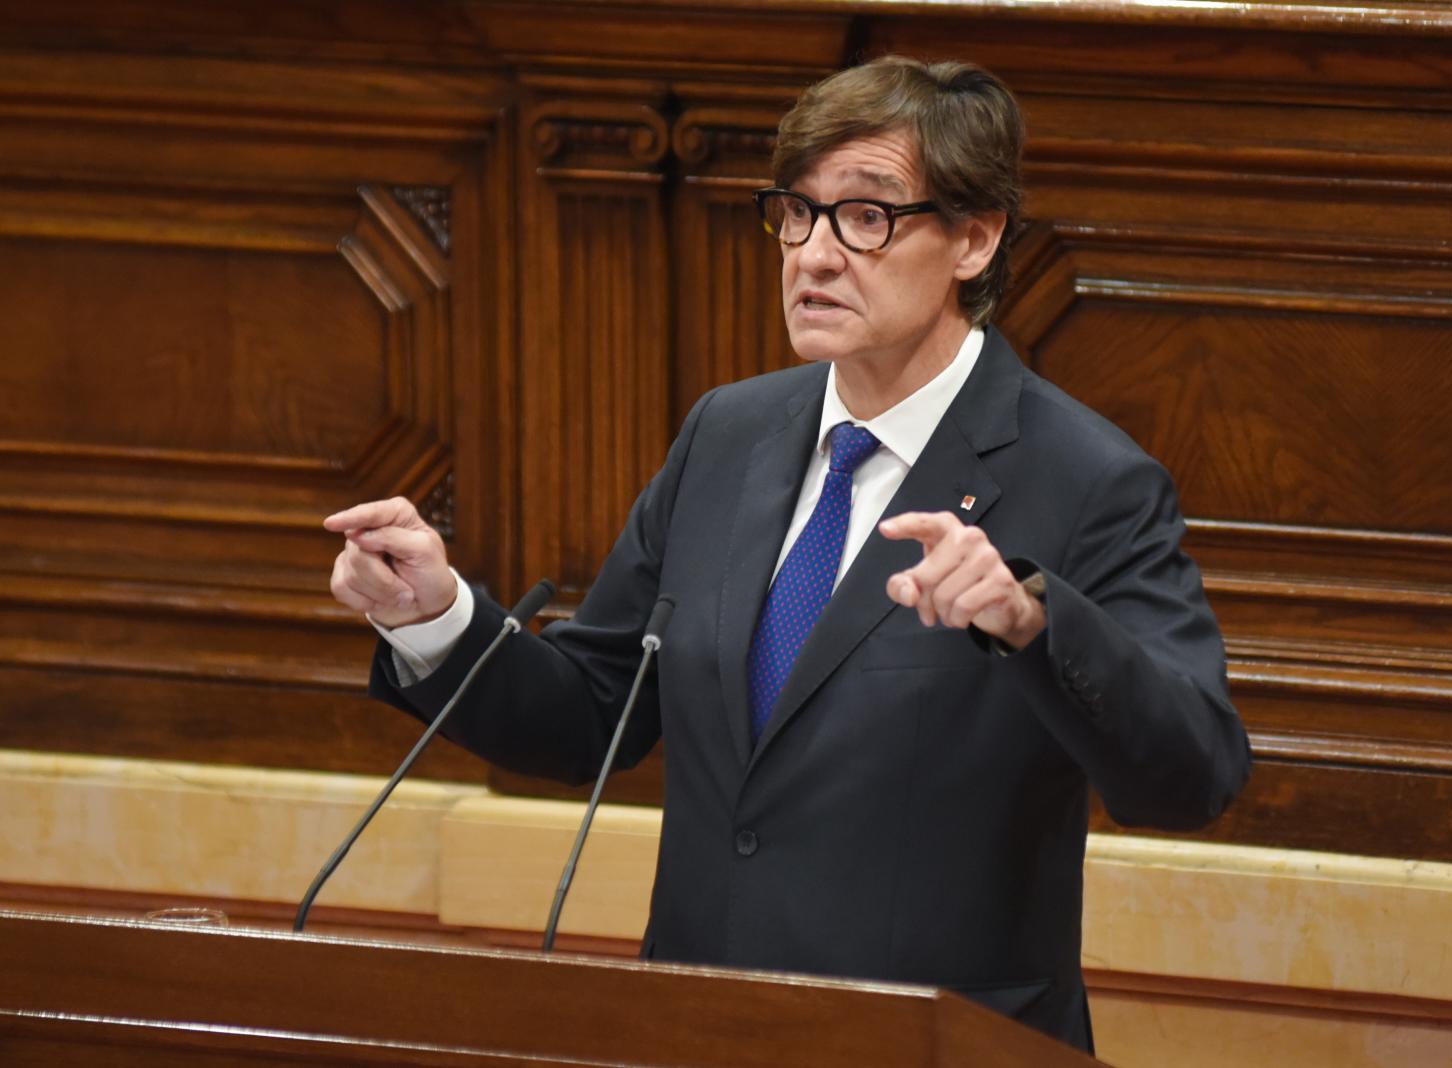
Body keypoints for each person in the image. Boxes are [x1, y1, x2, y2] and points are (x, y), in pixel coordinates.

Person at [326, 56, 1250, 1053]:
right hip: (703, 1029)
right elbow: (599, 712)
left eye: (866, 218)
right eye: (794, 214)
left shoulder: (1085, 478)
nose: (812, 255)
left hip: (939, 1044)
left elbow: (1191, 774)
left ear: (974, 240)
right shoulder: (728, 435)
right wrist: (436, 617)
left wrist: (1033, 619)